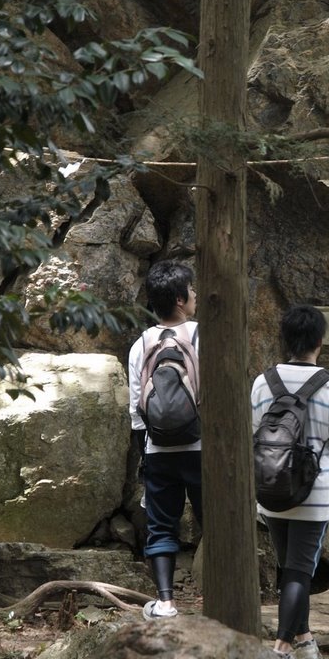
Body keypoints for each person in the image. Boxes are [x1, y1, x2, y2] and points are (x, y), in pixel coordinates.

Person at [251, 304, 329, 659]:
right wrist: (319, 471)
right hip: (313, 496)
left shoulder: (262, 383)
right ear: (320, 342)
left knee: (290, 567)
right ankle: (281, 649)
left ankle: (305, 639)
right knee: (298, 571)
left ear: (284, 340)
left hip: (271, 491)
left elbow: (255, 434)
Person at [128, 261, 201, 621]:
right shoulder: (204, 336)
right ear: (180, 299)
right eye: (192, 289)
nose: (196, 294)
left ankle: (166, 603)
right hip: (203, 448)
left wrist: (148, 451)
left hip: (158, 450)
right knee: (216, 525)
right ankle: (223, 599)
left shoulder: (141, 344)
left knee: (161, 525)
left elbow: (135, 410)